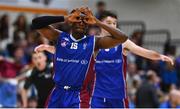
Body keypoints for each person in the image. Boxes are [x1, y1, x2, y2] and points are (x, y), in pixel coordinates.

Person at [34, 10, 173, 108]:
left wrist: (159, 56)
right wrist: (51, 47)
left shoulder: (105, 43)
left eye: (114, 23)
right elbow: (70, 53)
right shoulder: (74, 40)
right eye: (109, 22)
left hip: (113, 94)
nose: (112, 25)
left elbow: (137, 48)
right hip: (93, 95)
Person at [31, 7, 128, 108]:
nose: (81, 23)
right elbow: (36, 23)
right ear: (71, 21)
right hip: (57, 92)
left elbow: (122, 38)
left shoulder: (95, 42)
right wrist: (65, 17)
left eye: (84, 21)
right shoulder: (59, 37)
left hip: (79, 95)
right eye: (77, 19)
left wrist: (97, 22)